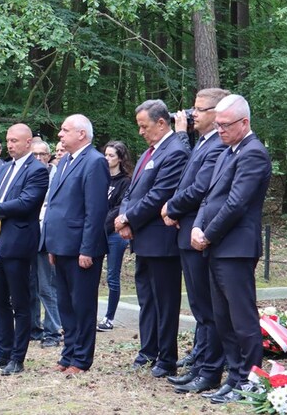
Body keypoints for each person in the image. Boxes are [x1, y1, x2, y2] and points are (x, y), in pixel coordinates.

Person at [190, 94, 272, 405]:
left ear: (245, 123)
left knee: (242, 318)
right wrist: (198, 226)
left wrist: (207, 235)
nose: (220, 130)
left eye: (226, 125)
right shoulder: (227, 151)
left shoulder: (253, 154)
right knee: (222, 318)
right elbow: (209, 197)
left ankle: (250, 378)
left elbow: (236, 203)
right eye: (219, 125)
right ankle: (234, 375)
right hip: (216, 246)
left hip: (235, 247)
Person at [161, 88, 229, 393]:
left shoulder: (216, 145)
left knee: (207, 308)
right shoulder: (203, 142)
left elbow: (200, 188)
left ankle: (209, 370)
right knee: (200, 307)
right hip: (188, 230)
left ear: (217, 113)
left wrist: (171, 207)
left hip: (198, 231)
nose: (193, 114)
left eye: (200, 109)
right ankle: (201, 363)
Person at [115, 100, 188, 377]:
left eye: (144, 126)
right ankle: (149, 350)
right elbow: (132, 192)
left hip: (162, 241)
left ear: (161, 123)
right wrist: (124, 216)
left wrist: (128, 218)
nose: (141, 132)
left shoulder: (175, 152)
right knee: (147, 298)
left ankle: (167, 357)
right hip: (143, 239)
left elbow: (159, 195)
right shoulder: (151, 152)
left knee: (165, 302)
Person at [0, 123, 49, 376]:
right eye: (8, 140)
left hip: (19, 242)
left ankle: (18, 358)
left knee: (21, 302)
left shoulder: (38, 170)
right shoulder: (5, 168)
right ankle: (2, 351)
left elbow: (28, 202)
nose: (9, 145)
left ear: (28, 142)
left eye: (15, 140)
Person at [42, 114, 110, 374]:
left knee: (82, 305)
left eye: (65, 130)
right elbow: (55, 206)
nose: (60, 134)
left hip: (81, 248)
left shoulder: (94, 162)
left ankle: (81, 358)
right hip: (61, 246)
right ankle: (68, 352)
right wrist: (51, 245)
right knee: (65, 305)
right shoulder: (65, 162)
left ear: (81, 134)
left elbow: (95, 211)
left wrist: (87, 249)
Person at [96, 141, 133, 332]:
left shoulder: (125, 181)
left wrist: (103, 223)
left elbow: (120, 208)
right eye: (106, 154)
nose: (107, 158)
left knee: (112, 276)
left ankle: (109, 318)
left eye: (111, 155)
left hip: (115, 234)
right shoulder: (100, 177)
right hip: (97, 232)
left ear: (120, 158)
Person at [30, 140, 63, 348]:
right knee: (29, 284)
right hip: (27, 236)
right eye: (35, 155)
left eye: (43, 154)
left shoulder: (57, 174)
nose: (39, 158)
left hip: (48, 236)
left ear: (49, 156)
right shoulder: (27, 174)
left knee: (47, 286)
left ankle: (53, 331)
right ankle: (33, 328)